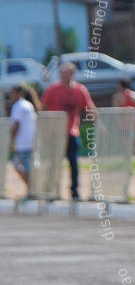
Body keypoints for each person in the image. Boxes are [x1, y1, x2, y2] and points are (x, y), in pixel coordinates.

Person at [42, 62, 97, 201]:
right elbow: (43, 108)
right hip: (55, 133)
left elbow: (89, 107)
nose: (65, 76)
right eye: (63, 74)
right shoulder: (53, 90)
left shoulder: (79, 90)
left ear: (73, 74)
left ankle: (74, 191)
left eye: (68, 74)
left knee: (73, 163)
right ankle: (51, 190)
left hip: (72, 132)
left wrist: (96, 120)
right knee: (54, 163)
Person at [9, 82, 40, 195]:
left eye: (12, 93)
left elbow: (16, 125)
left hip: (22, 143)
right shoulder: (28, 104)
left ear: (18, 94)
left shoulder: (18, 106)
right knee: (27, 167)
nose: (11, 96)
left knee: (20, 167)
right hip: (31, 142)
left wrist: (11, 141)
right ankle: (31, 189)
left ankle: (32, 189)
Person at [112, 78, 135, 173]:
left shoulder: (118, 97)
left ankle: (129, 168)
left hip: (123, 126)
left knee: (126, 148)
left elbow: (115, 112)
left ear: (120, 86)